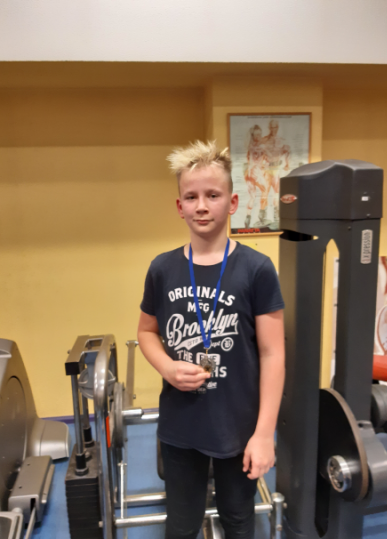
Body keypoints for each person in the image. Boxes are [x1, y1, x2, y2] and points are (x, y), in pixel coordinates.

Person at [138, 140, 285, 539]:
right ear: (179, 206)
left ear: (232, 202)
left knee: (238, 519)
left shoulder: (257, 269)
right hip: (181, 424)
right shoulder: (162, 269)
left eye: (213, 195)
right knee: (181, 523)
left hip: (237, 425)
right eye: (191, 197)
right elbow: (146, 332)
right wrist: (167, 367)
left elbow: (273, 354)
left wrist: (264, 434)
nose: (201, 206)